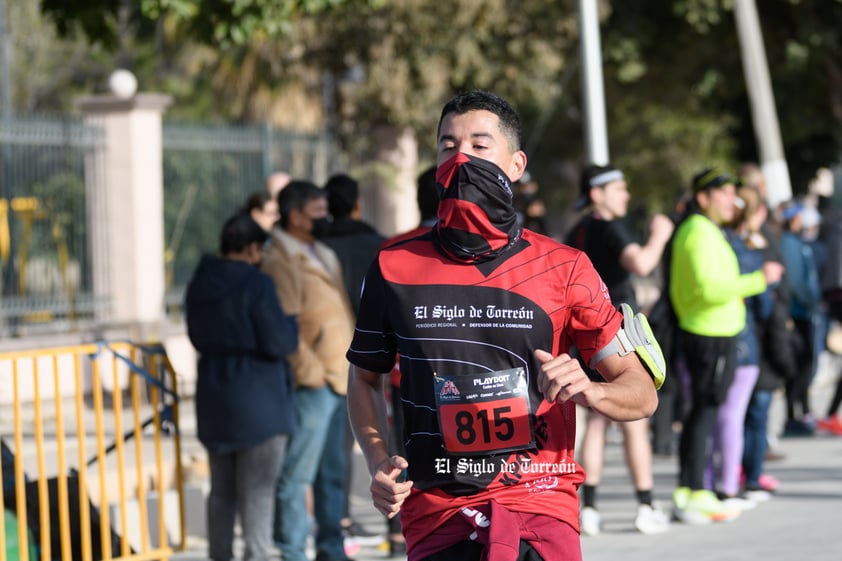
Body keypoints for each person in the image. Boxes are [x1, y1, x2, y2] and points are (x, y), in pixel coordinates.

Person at [346, 90, 660, 561]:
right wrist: (377, 462)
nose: (460, 159)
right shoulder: (394, 265)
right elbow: (364, 377)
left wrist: (591, 391)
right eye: (448, 147)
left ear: (515, 165)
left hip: (540, 504)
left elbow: (641, 391)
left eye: (478, 145)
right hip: (437, 512)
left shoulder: (565, 267)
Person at [669, 168, 783, 525]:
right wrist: (758, 280)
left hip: (713, 332)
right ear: (703, 198)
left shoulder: (705, 230)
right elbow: (709, 289)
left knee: (704, 413)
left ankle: (692, 491)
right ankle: (693, 493)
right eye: (723, 192)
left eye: (733, 190)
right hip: (709, 333)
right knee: (703, 413)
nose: (731, 198)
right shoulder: (698, 231)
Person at [565, 163, 673, 536]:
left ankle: (590, 509)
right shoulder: (609, 226)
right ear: (598, 194)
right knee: (634, 423)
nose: (626, 195)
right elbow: (640, 263)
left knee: (597, 419)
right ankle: (645, 506)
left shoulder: (575, 231)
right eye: (619, 188)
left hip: (585, 336)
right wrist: (660, 235)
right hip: (616, 334)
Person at [184, 214, 298, 561]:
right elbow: (279, 341)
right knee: (258, 493)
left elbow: (194, 334)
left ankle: (220, 555)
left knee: (222, 492)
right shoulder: (256, 283)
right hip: (259, 400)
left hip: (215, 396)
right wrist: (291, 326)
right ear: (251, 248)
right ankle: (256, 555)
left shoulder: (200, 282)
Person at [261, 181, 356, 561]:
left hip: (339, 376)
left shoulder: (323, 252)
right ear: (295, 216)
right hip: (314, 384)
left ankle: (331, 550)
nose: (325, 218)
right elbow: (283, 323)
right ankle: (292, 551)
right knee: (297, 475)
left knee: (332, 476)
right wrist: (309, 370)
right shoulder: (278, 259)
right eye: (317, 212)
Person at [320, 173, 387, 547]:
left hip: (332, 356)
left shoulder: (318, 247)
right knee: (387, 435)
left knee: (337, 448)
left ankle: (339, 521)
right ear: (358, 204)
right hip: (380, 353)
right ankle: (396, 526)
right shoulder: (380, 246)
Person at [379, 164, 439, 557]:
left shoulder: (396, 249)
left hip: (406, 378)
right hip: (464, 378)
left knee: (406, 452)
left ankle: (404, 531)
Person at [705, 186, 773, 509]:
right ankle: (728, 486)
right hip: (739, 341)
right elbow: (765, 306)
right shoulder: (743, 250)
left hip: (725, 337)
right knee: (731, 417)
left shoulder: (719, 240)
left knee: (715, 416)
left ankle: (711, 483)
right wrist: (764, 278)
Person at [778, 200, 823, 436]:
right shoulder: (789, 244)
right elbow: (796, 282)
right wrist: (812, 301)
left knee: (803, 364)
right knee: (800, 366)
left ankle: (801, 412)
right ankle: (794, 416)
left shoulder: (795, 242)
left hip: (803, 312)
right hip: (798, 313)